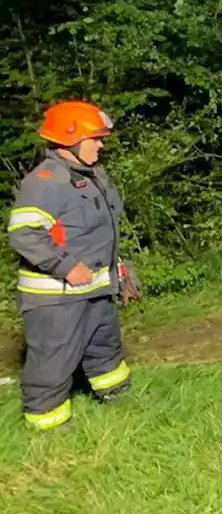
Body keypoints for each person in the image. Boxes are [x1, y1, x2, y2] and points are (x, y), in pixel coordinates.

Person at [7, 101, 136, 431]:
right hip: (56, 298)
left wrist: (117, 268)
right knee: (53, 359)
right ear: (70, 139)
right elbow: (24, 234)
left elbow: (97, 231)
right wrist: (64, 266)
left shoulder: (92, 176)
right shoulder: (46, 182)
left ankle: (115, 395)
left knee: (104, 347)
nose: (101, 144)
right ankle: (48, 424)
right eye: (95, 138)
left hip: (94, 290)